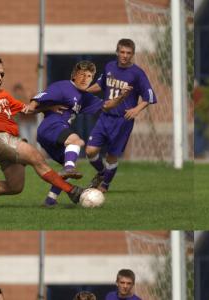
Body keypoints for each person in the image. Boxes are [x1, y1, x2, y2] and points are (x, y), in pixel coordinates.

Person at [0, 55, 84, 208]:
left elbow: (26, 110)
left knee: (15, 187)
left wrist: (48, 108)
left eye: (1, 74)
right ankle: (73, 191)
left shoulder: (3, 94)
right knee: (36, 157)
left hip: (8, 141)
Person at [30, 60, 132, 206]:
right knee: (76, 142)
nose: (85, 79)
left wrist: (121, 97)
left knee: (68, 167)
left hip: (53, 132)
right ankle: (69, 167)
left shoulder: (85, 97)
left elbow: (106, 105)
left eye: (89, 76)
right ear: (74, 76)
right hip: (51, 127)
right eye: (81, 75)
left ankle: (50, 200)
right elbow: (39, 97)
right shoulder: (63, 86)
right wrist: (33, 106)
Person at [85, 38, 157, 193]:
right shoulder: (109, 66)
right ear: (117, 52)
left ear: (133, 54)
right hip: (105, 116)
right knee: (90, 151)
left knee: (112, 156)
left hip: (122, 121)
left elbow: (149, 97)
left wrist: (136, 109)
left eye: (128, 53)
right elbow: (100, 85)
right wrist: (83, 91)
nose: (125, 55)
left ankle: (105, 185)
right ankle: (102, 173)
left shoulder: (137, 73)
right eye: (122, 52)